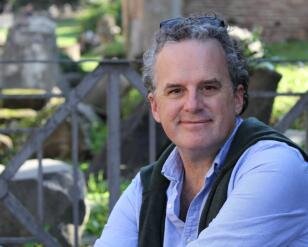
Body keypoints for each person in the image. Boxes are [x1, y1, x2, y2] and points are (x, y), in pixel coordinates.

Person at [95, 13, 308, 247]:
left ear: (237, 98)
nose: (193, 105)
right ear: (155, 106)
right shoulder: (145, 189)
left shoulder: (277, 167)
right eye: (176, 91)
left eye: (208, 87)